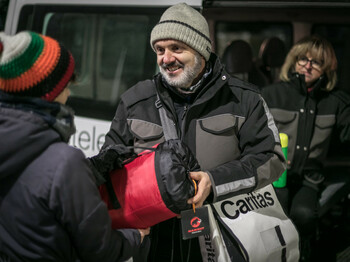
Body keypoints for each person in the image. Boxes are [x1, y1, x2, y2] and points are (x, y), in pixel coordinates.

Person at [91, 3, 286, 261]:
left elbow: (271, 159)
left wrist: (214, 182)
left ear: (201, 50)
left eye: (176, 48)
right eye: (160, 50)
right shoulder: (135, 101)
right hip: (153, 243)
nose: (166, 58)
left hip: (222, 236)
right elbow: (112, 160)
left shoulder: (244, 99)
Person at [0, 31, 150, 262]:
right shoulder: (64, 162)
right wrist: (135, 237)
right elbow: (100, 250)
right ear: (48, 91)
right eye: (65, 85)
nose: (69, 93)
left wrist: (89, 172)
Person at [261, 35, 350, 261]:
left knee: (304, 216)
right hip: (275, 175)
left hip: (309, 178)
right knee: (273, 220)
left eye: (316, 62)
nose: (308, 66)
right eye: (303, 59)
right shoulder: (271, 94)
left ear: (327, 68)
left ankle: (303, 253)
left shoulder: (337, 101)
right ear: (294, 61)